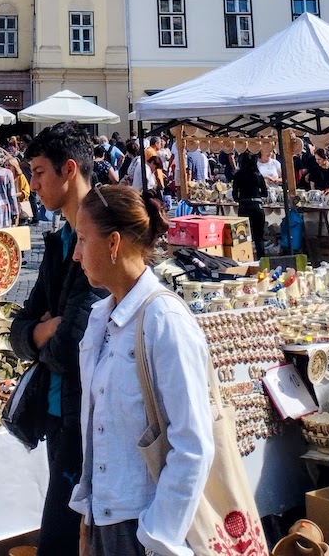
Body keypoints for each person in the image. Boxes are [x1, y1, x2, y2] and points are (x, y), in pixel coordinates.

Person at [69, 183, 214, 556]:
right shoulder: (104, 317)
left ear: (113, 244)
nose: (76, 253)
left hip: (142, 526)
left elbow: (193, 444)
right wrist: (88, 513)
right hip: (108, 518)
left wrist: (156, 536)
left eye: (84, 240)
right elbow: (98, 431)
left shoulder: (164, 321)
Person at [9, 124, 103, 556]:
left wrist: (44, 333)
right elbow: (19, 330)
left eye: (40, 172)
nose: (34, 184)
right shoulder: (60, 241)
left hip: (87, 415)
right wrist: (44, 327)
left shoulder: (102, 240)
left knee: (65, 540)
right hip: (56, 411)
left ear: (69, 170)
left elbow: (71, 349)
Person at [231, 151, 269, 258]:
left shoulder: (238, 175)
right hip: (257, 206)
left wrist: (240, 198)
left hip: (244, 206)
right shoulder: (258, 175)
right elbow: (265, 193)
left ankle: (243, 257)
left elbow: (235, 194)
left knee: (242, 236)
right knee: (259, 237)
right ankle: (262, 259)